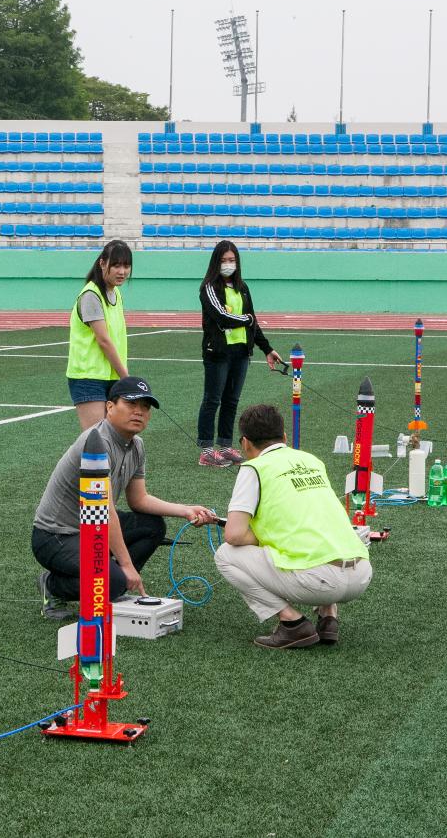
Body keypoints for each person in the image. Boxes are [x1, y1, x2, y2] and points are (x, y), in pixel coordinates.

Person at [32, 376, 215, 620]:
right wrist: (126, 565)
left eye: (145, 407)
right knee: (111, 581)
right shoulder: (96, 442)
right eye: (131, 404)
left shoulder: (136, 445)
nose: (139, 412)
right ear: (109, 407)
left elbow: (139, 500)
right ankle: (54, 585)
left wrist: (186, 510)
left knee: (152, 525)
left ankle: (115, 584)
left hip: (92, 528)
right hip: (56, 536)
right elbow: (105, 511)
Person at [214, 404, 373, 649]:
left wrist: (263, 537)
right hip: (361, 573)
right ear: (285, 437)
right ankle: (328, 617)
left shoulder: (254, 467)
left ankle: (292, 624)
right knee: (317, 532)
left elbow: (234, 534)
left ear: (245, 443)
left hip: (321, 582)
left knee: (226, 554)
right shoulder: (311, 460)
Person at [197, 240, 285, 467]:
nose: (228, 264)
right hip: (217, 352)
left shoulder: (242, 287)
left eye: (232, 260)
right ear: (216, 262)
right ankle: (207, 450)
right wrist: (246, 319)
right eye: (224, 260)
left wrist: (267, 348)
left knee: (231, 400)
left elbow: (253, 324)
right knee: (212, 399)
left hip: (240, 353)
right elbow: (222, 317)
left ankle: (225, 446)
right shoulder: (209, 287)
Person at [66, 239, 132, 430]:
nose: (122, 271)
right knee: (96, 440)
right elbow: (103, 340)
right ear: (102, 263)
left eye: (126, 266)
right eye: (116, 265)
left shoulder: (116, 294)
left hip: (111, 377)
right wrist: (126, 377)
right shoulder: (91, 295)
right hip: (88, 377)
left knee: (112, 440)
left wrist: (120, 377)